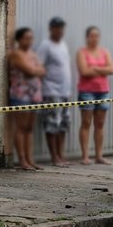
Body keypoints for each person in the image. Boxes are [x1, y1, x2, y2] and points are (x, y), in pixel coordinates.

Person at [8, 27, 45, 171]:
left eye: (31, 38)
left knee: (30, 127)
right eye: (26, 38)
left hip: (34, 94)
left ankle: (30, 159)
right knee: (21, 127)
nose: (29, 41)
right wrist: (35, 70)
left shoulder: (33, 54)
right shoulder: (15, 54)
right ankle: (22, 160)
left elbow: (42, 71)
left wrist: (36, 70)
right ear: (19, 39)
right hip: (20, 94)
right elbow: (29, 71)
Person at [76, 26, 113, 165]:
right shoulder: (82, 52)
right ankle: (85, 156)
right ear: (87, 37)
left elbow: (111, 69)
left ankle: (99, 155)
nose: (94, 38)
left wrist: (95, 68)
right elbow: (84, 71)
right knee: (86, 123)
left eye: (96, 36)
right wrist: (102, 70)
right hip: (87, 91)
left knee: (100, 124)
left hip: (103, 91)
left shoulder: (104, 52)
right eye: (92, 36)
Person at [37, 17, 72, 167]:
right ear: (51, 29)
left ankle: (61, 155)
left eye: (62, 28)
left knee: (63, 125)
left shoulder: (63, 45)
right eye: (57, 28)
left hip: (65, 92)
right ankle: (54, 157)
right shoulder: (46, 46)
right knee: (52, 125)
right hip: (51, 91)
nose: (60, 31)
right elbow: (39, 67)